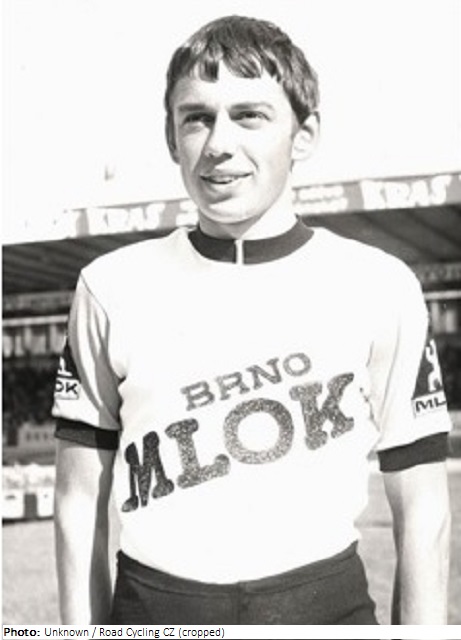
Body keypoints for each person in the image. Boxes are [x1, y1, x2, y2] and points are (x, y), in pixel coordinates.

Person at [52, 15, 452, 625]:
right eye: (196, 118)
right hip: (158, 609)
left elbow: (422, 505)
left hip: (322, 607)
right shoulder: (109, 287)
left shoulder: (379, 284)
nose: (219, 144)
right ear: (171, 139)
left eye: (249, 116)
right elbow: (79, 505)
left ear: (304, 134)